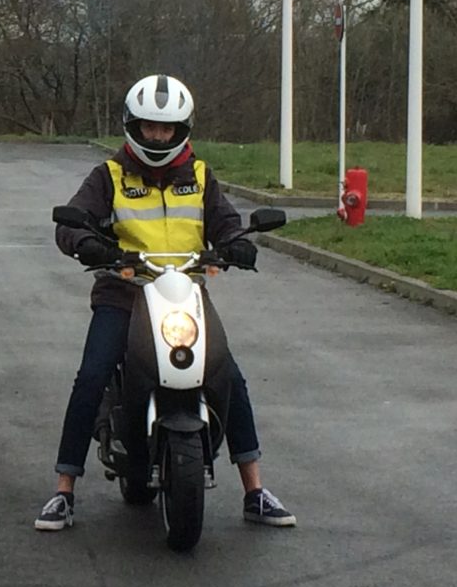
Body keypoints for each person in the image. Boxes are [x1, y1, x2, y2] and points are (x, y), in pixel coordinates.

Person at [35, 74, 295, 531]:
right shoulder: (109, 175)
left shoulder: (199, 175)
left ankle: (255, 490)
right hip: (125, 293)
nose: (158, 136)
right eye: (150, 127)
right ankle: (63, 490)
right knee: (93, 374)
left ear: (182, 129)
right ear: (132, 126)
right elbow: (70, 223)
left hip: (186, 294)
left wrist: (237, 243)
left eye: (167, 128)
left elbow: (226, 222)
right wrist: (86, 243)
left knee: (227, 373)